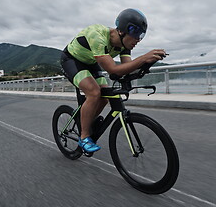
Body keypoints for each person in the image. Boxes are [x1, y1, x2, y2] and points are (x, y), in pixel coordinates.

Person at [60, 8, 166, 153]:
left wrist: (146, 64)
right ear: (123, 30)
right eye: (136, 34)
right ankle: (84, 136)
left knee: (104, 97)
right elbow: (113, 70)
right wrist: (143, 57)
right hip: (72, 60)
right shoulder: (97, 35)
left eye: (141, 36)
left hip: (91, 62)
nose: (138, 40)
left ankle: (85, 121)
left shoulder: (124, 45)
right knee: (94, 93)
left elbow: (126, 68)